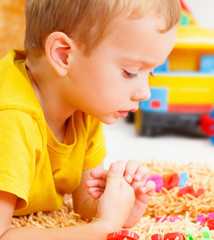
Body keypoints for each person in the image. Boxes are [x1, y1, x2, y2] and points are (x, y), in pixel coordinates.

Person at [0, 0, 181, 239]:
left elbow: (84, 201)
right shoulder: (13, 119)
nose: (145, 92)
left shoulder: (82, 103)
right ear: (64, 56)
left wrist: (119, 207)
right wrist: (102, 230)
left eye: (151, 73)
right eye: (130, 72)